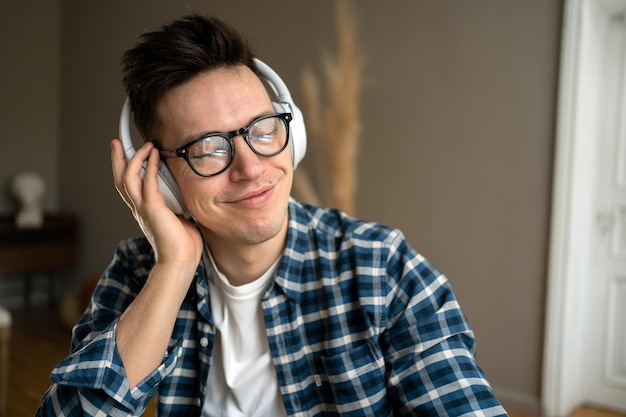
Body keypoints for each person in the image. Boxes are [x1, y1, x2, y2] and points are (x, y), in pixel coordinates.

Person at [37, 14, 508, 417]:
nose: (251, 167)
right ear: (160, 179)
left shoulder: (382, 268)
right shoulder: (141, 270)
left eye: (263, 129)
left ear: (291, 131)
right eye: (207, 148)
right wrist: (174, 268)